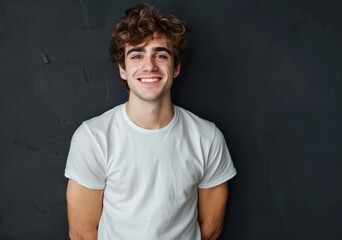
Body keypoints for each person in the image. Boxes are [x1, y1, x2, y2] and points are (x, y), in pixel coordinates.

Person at [64, 3, 236, 240]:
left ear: (175, 67)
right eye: (137, 55)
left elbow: (211, 227)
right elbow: (82, 233)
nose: (149, 66)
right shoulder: (93, 137)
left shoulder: (207, 137)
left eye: (161, 54)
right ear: (122, 69)